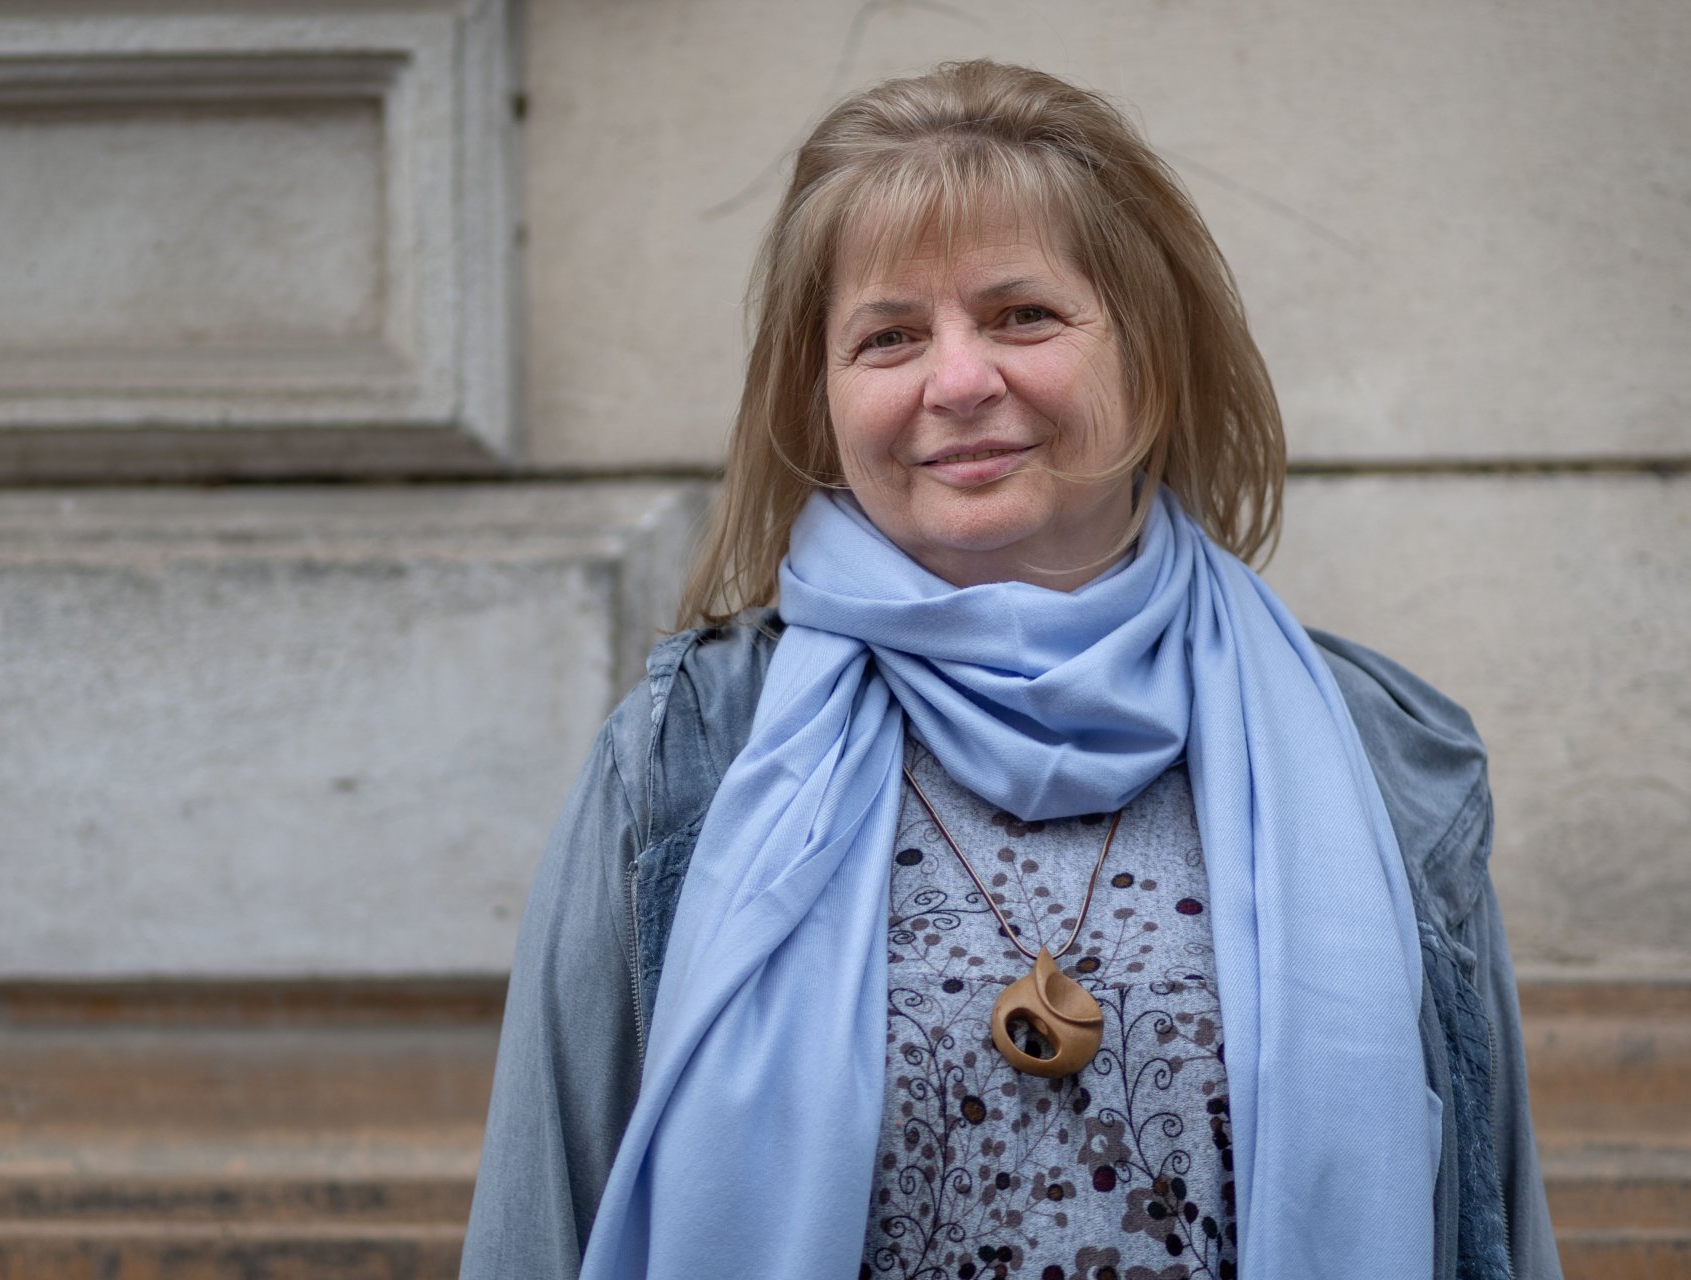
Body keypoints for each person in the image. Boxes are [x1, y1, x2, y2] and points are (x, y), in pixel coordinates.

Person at [461, 60, 1559, 1280]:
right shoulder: (687, 752)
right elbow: (536, 1223)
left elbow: (1495, 1226)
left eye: (1022, 315)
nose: (958, 381)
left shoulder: (1380, 755)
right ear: (821, 396)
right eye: (888, 336)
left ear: (1148, 350)